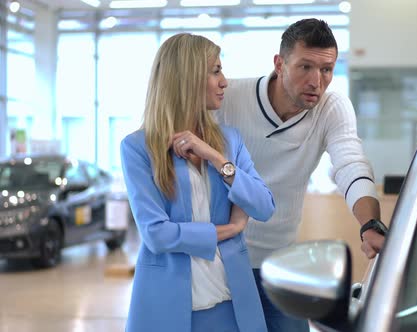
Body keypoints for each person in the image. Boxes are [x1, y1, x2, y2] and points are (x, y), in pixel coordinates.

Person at [215, 18, 386, 332]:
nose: (316, 81)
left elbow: (350, 165)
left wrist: (369, 224)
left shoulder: (332, 108)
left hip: (281, 263)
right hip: (220, 259)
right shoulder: (230, 99)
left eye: (326, 69)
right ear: (280, 63)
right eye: (305, 67)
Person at [120, 33, 275, 332]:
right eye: (215, 71)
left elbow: (264, 205)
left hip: (232, 303)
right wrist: (228, 229)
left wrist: (215, 158)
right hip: (169, 308)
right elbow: (156, 234)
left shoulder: (229, 141)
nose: (224, 81)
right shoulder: (138, 148)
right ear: (187, 78)